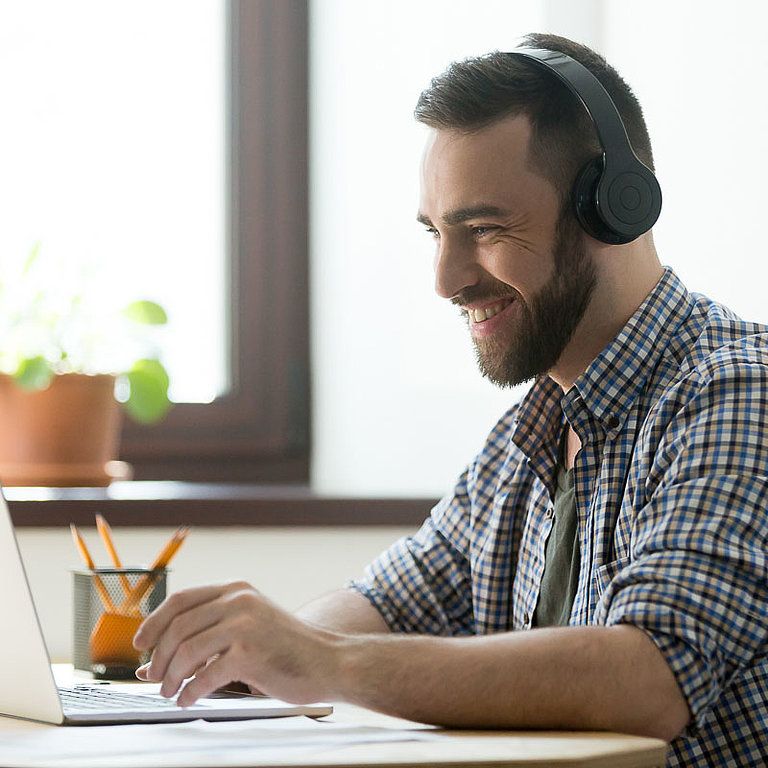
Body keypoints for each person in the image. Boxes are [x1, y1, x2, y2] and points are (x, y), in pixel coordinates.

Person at [133, 33, 768, 767]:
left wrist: (319, 661)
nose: (445, 279)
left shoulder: (735, 392)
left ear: (611, 210)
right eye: (436, 233)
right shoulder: (527, 434)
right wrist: (247, 656)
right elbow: (390, 604)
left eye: (484, 229)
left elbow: (652, 678)